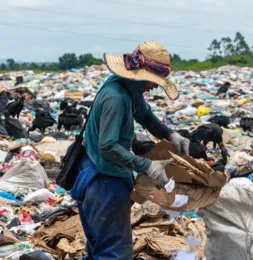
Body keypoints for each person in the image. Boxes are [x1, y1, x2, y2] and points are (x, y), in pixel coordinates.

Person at [70, 40, 190, 259]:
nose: (154, 86)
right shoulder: (116, 98)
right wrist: (147, 165)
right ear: (140, 75)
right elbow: (107, 146)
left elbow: (145, 115)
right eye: (153, 82)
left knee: (100, 248)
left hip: (102, 175)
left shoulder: (128, 89)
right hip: (104, 182)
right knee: (114, 252)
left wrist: (170, 135)